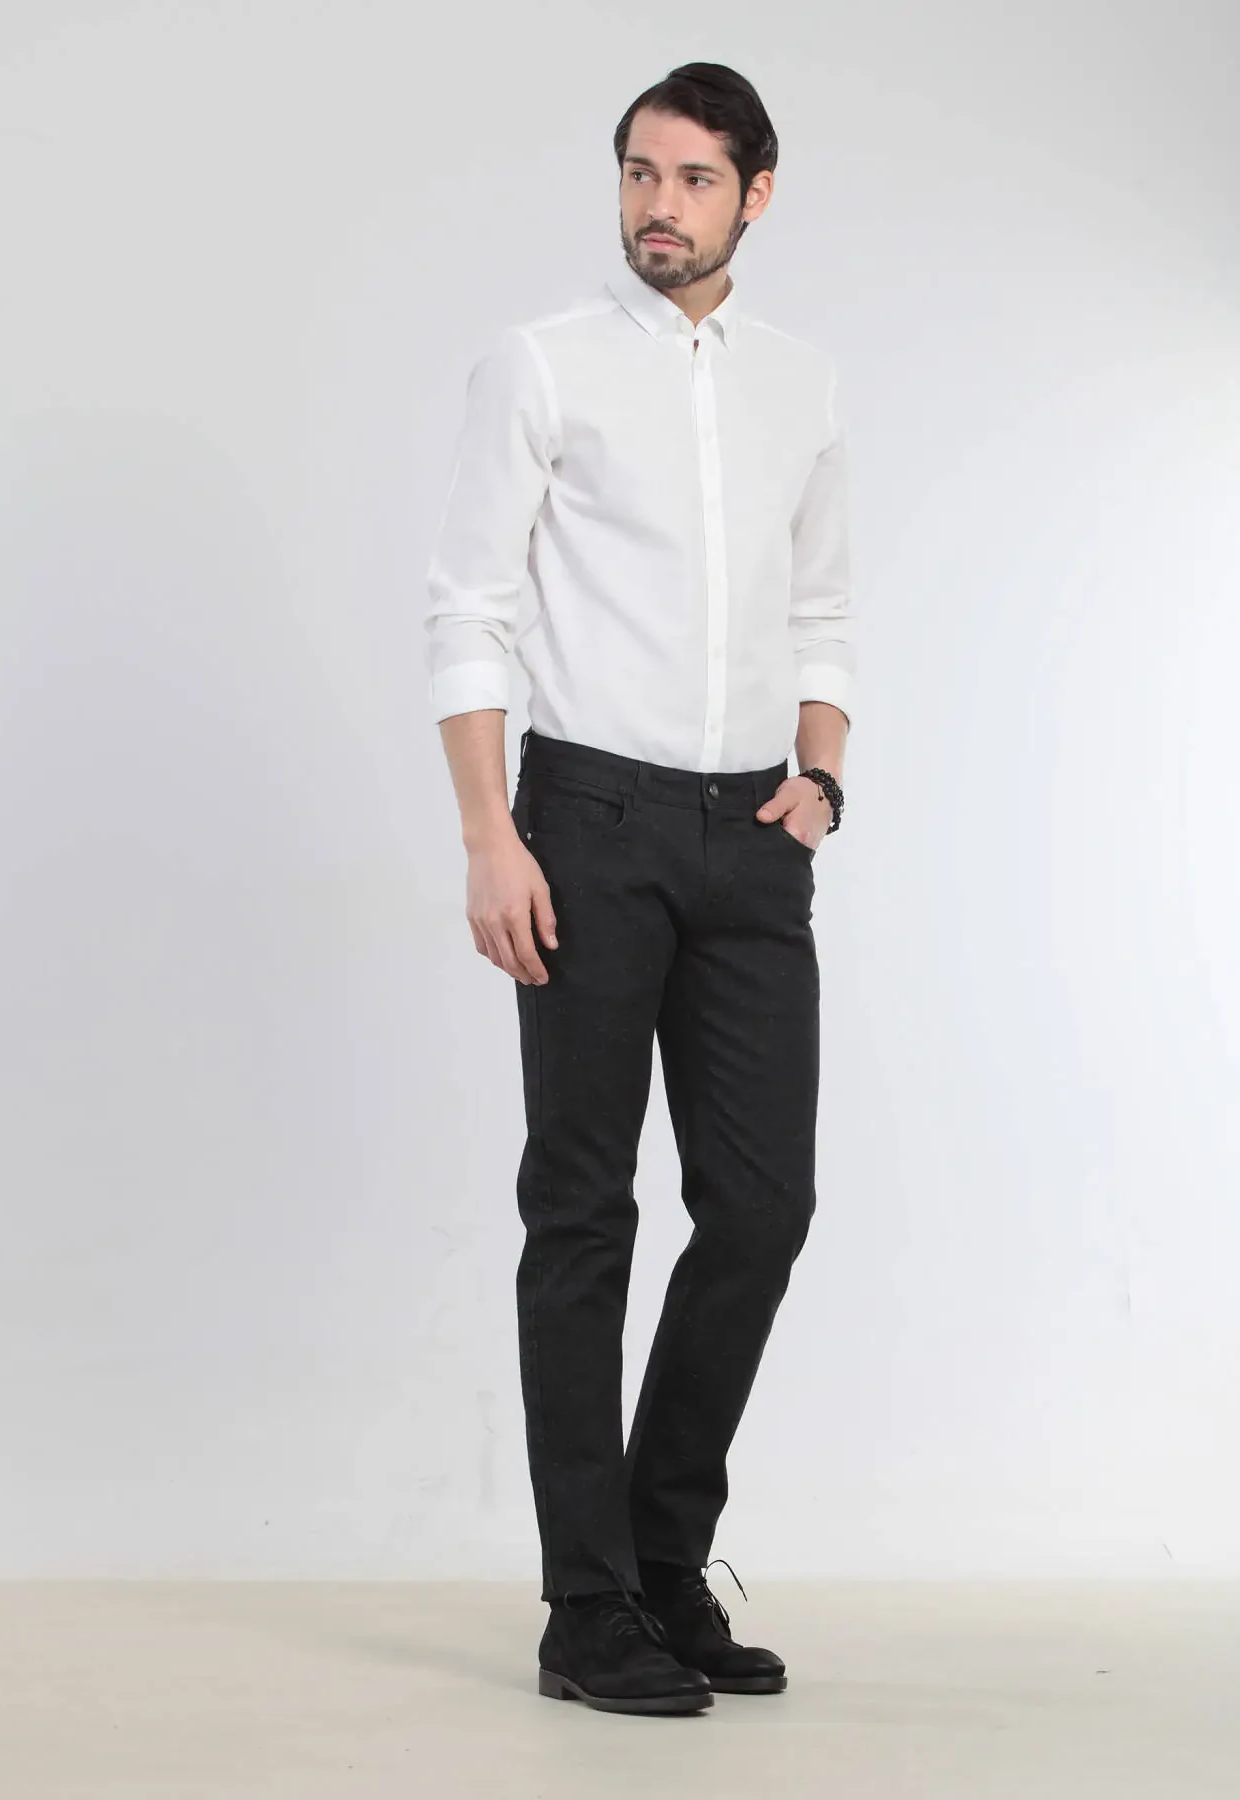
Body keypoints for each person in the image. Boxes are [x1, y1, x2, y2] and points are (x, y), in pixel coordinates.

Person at [423, 61, 854, 1717]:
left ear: (757, 194)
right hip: (585, 823)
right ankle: (585, 1604)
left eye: (690, 178)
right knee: (582, 1210)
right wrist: (491, 835)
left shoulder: (803, 382)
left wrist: (820, 775)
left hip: (753, 836)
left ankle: (667, 1565)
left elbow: (825, 607)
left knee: (761, 1207)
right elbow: (470, 608)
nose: (656, 206)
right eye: (637, 173)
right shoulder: (539, 364)